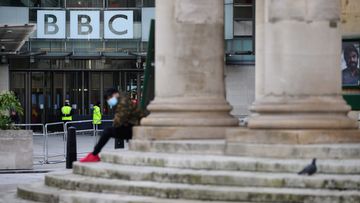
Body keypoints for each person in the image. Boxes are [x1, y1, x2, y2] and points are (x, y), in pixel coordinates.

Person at [80, 88, 143, 162]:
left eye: (109, 98)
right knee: (110, 130)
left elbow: (119, 119)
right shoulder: (123, 100)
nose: (109, 101)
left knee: (107, 131)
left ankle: (94, 155)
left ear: (115, 94)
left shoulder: (123, 102)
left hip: (135, 129)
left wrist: (115, 126)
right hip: (134, 127)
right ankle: (94, 154)